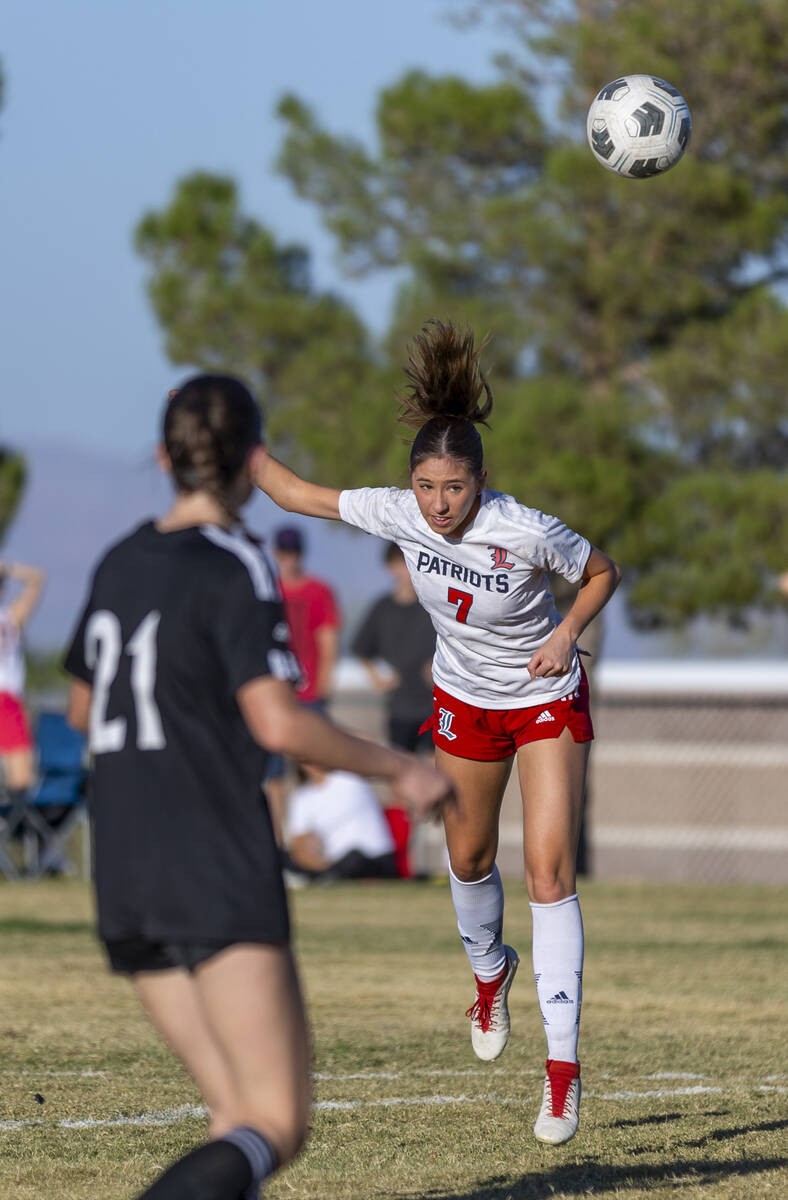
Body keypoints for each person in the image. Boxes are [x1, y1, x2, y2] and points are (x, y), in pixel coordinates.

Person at [63, 374, 452, 1200]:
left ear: (164, 457)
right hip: (208, 859)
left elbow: (80, 701)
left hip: (124, 866)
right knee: (274, 1118)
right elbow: (277, 722)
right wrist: (402, 768)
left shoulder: (121, 561)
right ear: (251, 462)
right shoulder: (236, 563)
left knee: (230, 1113)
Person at [251, 321, 622, 1146]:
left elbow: (602, 571)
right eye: (426, 486)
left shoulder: (525, 528)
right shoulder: (396, 514)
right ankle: (490, 975)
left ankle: (562, 1072)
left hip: (544, 698)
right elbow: (292, 492)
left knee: (550, 872)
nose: (439, 504)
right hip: (463, 700)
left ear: (481, 482)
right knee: (468, 859)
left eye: (454, 488)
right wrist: (227, 436)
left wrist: (565, 633)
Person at [265, 526, 341, 843]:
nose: (288, 559)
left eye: (293, 553)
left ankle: (317, 844)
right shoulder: (268, 590)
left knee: (316, 769)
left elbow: (328, 642)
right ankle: (276, 844)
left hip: (309, 696)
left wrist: (322, 689)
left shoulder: (318, 592)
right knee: (273, 776)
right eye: (283, 553)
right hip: (274, 696)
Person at [352, 542, 436, 754]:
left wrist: (441, 665)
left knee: (435, 769)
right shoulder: (382, 609)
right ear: (390, 566)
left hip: (435, 705)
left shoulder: (434, 606)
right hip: (398, 707)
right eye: (403, 563)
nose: (409, 570)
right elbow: (361, 649)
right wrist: (376, 677)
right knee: (402, 767)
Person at [284, 765, 398, 884]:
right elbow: (299, 847)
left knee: (354, 858)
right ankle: (322, 877)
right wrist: (317, 863)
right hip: (335, 864)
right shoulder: (301, 797)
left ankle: (321, 878)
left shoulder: (350, 778)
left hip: (372, 859)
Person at [0, 560, 46, 794]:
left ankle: (17, 828)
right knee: (20, 782)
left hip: (8, 701)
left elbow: (37, 579)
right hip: (6, 702)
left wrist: (7, 568)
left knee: (21, 783)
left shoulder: (9, 618)